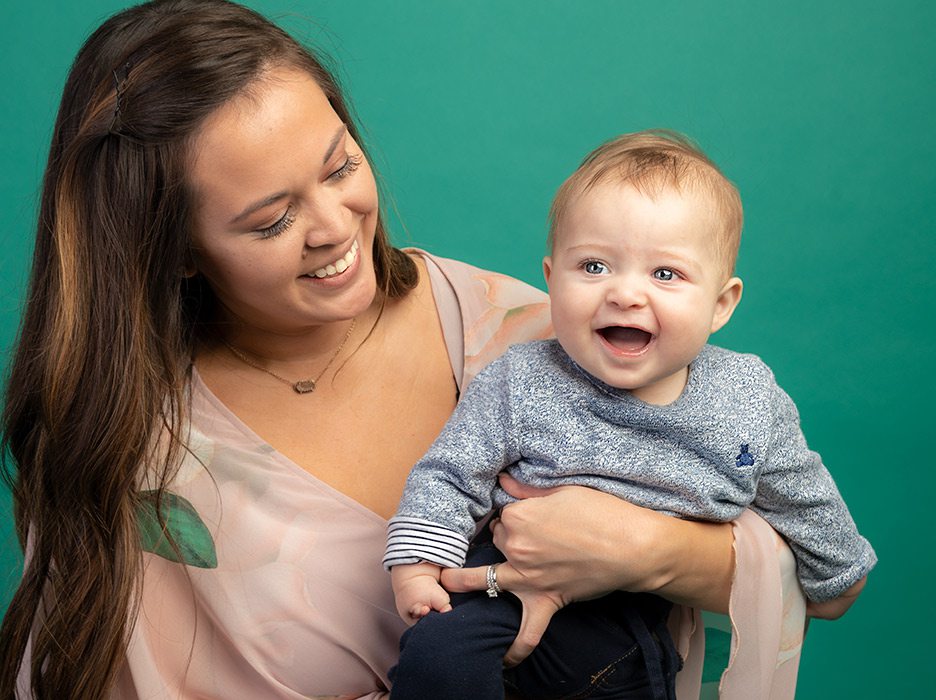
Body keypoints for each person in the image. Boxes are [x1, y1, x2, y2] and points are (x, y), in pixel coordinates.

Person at [0, 1, 809, 698]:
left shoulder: (541, 334)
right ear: (173, 248)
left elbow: (807, 567)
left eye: (340, 164)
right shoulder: (130, 450)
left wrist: (642, 549)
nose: (335, 225)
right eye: (272, 219)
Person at [385, 130, 877, 699]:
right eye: (593, 266)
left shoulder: (748, 401)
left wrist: (837, 572)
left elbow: (803, 497)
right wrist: (417, 568)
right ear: (551, 279)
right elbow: (451, 472)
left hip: (634, 620)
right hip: (507, 586)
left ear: (721, 304)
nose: (624, 294)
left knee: (625, 678)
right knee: (439, 656)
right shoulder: (521, 379)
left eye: (664, 274)